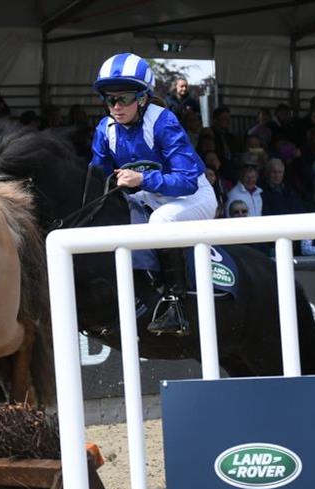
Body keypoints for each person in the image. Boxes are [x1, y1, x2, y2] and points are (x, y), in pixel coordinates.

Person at [87, 52, 218, 336]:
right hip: (149, 198)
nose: (116, 107)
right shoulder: (104, 129)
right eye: (110, 99)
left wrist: (142, 178)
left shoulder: (164, 122)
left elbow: (187, 181)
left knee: (161, 222)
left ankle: (176, 306)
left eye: (123, 99)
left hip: (191, 198)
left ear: (143, 98)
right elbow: (97, 178)